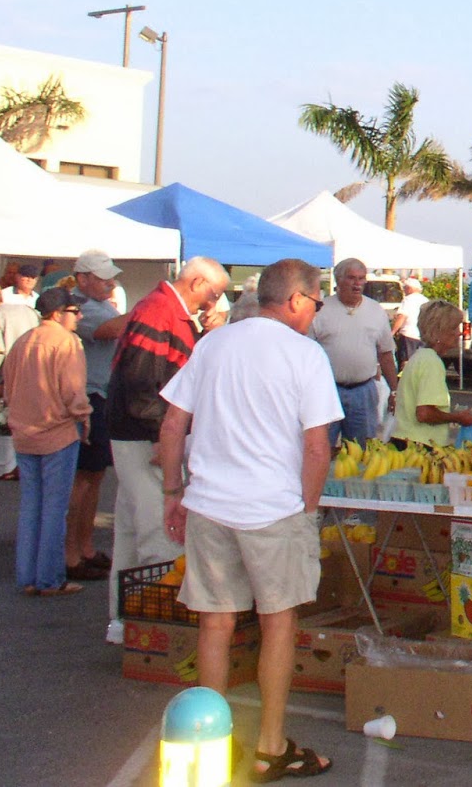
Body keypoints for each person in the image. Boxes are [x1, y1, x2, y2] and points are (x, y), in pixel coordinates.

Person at [158, 258, 340, 783]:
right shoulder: (305, 354)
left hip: (210, 503)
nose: (314, 313)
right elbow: (316, 447)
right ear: (298, 300)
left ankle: (209, 738)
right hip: (273, 507)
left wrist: (174, 492)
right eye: (316, 302)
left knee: (215, 623)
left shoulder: (214, 343)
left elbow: (173, 424)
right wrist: (307, 509)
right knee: (278, 621)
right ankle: (270, 745)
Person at [107, 256, 230, 616]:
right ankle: (154, 620)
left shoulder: (162, 310)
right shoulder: (159, 312)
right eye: (213, 294)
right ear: (196, 284)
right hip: (142, 435)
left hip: (135, 431)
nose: (212, 303)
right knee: (159, 532)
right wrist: (160, 436)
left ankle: (125, 620)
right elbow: (141, 381)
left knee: (131, 531)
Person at [0, 287, 91, 596]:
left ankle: (28, 576)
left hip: (24, 432)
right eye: (74, 311)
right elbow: (74, 391)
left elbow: (7, 388)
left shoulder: (23, 341)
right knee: (54, 509)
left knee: (31, 507)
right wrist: (84, 416)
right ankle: (50, 578)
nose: (79, 315)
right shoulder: (66, 342)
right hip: (58, 433)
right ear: (57, 313)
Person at [63, 250, 129, 581]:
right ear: (83, 279)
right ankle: (70, 553)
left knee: (95, 476)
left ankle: (85, 547)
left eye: (110, 278)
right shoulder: (82, 309)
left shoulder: (102, 305)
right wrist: (148, 309)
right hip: (88, 396)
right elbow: (107, 331)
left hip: (102, 395)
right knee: (82, 478)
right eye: (103, 279)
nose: (110, 283)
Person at [308, 257, 399, 445]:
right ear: (338, 280)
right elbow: (306, 352)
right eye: (351, 278)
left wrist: (394, 390)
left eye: (361, 278)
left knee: (362, 448)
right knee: (322, 446)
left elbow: (385, 353)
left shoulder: (375, 311)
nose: (357, 284)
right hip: (327, 391)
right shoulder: (321, 310)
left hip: (363, 391)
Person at [393, 301, 472, 446]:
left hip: (405, 439)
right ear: (439, 332)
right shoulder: (431, 362)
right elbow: (424, 413)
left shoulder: (419, 356)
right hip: (420, 444)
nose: (459, 332)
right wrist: (458, 417)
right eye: (454, 327)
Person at [395, 276, 428, 364]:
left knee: (406, 363)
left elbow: (402, 317)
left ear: (409, 288)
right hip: (421, 336)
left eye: (404, 288)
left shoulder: (408, 300)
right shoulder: (425, 300)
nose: (404, 291)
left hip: (408, 335)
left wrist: (392, 332)